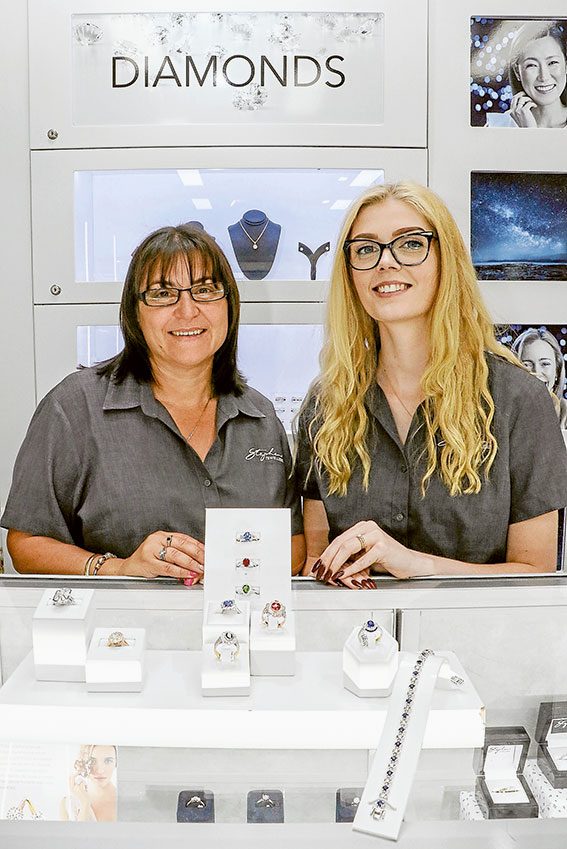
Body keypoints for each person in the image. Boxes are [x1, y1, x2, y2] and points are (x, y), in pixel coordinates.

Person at [295, 182, 567, 585]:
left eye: (409, 244)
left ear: (446, 258)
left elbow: (535, 572)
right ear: (349, 272)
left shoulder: (519, 401)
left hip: (479, 643)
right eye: (366, 249)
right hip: (358, 643)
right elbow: (317, 561)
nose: (386, 262)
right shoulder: (327, 404)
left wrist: (419, 565)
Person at [2, 225, 304, 578]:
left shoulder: (261, 417)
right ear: (135, 312)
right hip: (119, 630)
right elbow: (26, 545)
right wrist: (119, 567)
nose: (188, 310)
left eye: (205, 290)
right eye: (163, 294)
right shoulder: (74, 408)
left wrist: (235, 569)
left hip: (240, 627)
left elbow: (294, 543)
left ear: (229, 304)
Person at [486, 21, 567, 128]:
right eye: (532, 65)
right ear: (517, 72)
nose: (544, 76)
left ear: (565, 65)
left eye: (552, 63)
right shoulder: (497, 126)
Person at [510, 327, 567, 428]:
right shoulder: (502, 414)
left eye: (545, 364)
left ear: (557, 372)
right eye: (527, 365)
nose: (536, 372)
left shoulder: (565, 414)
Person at [60, 744, 117, 822]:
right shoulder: (69, 804)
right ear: (83, 763)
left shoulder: (127, 802)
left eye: (108, 761)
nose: (100, 771)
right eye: (92, 761)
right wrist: (85, 804)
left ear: (116, 763)